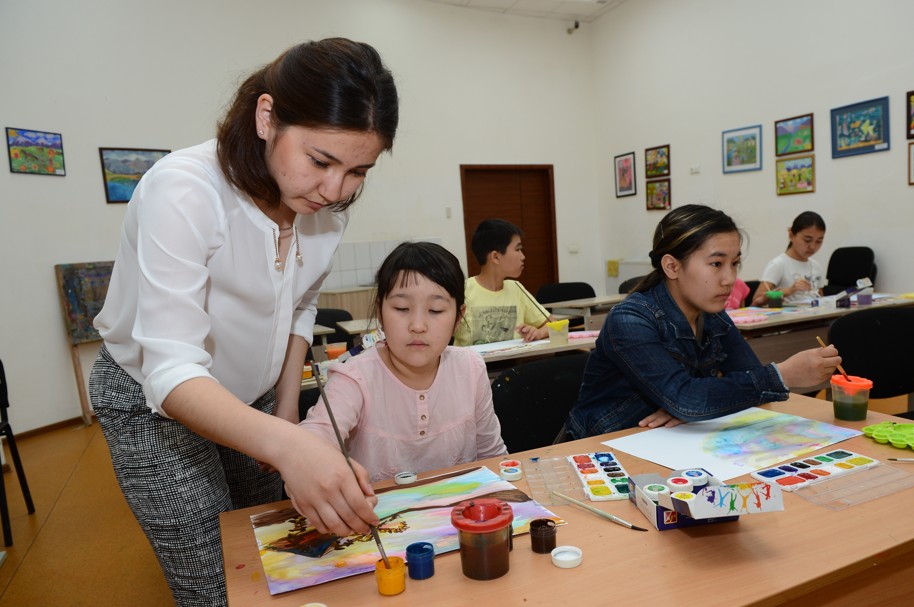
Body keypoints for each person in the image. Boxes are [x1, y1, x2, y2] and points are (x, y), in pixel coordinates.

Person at [87, 38, 399, 607]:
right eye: (321, 161)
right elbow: (172, 372)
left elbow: (299, 307)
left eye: (358, 171)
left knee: (281, 553)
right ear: (266, 116)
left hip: (254, 398)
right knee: (215, 584)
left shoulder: (321, 215)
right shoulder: (184, 190)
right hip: (152, 397)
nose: (335, 190)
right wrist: (291, 445)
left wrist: (283, 409)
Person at [564, 204, 841, 439]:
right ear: (672, 266)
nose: (730, 279)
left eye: (735, 263)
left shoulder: (713, 315)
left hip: (668, 442)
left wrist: (693, 405)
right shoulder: (630, 320)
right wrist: (783, 375)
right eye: (716, 264)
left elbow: (739, 380)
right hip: (602, 447)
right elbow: (691, 400)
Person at [302, 242, 507, 481]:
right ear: (380, 312)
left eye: (436, 310)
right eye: (401, 308)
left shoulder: (470, 368)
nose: (417, 326)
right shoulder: (355, 377)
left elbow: (493, 457)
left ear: (458, 318)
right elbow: (314, 440)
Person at [453, 219, 553, 346]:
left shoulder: (516, 288)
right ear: (495, 257)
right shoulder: (463, 290)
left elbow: (553, 324)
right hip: (473, 365)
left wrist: (538, 333)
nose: (523, 256)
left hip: (514, 364)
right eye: (517, 249)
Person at [751, 211, 826, 306]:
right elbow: (756, 300)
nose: (812, 246)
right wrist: (788, 291)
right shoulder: (779, 264)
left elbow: (821, 300)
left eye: (819, 241)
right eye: (807, 240)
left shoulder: (816, 266)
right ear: (791, 235)